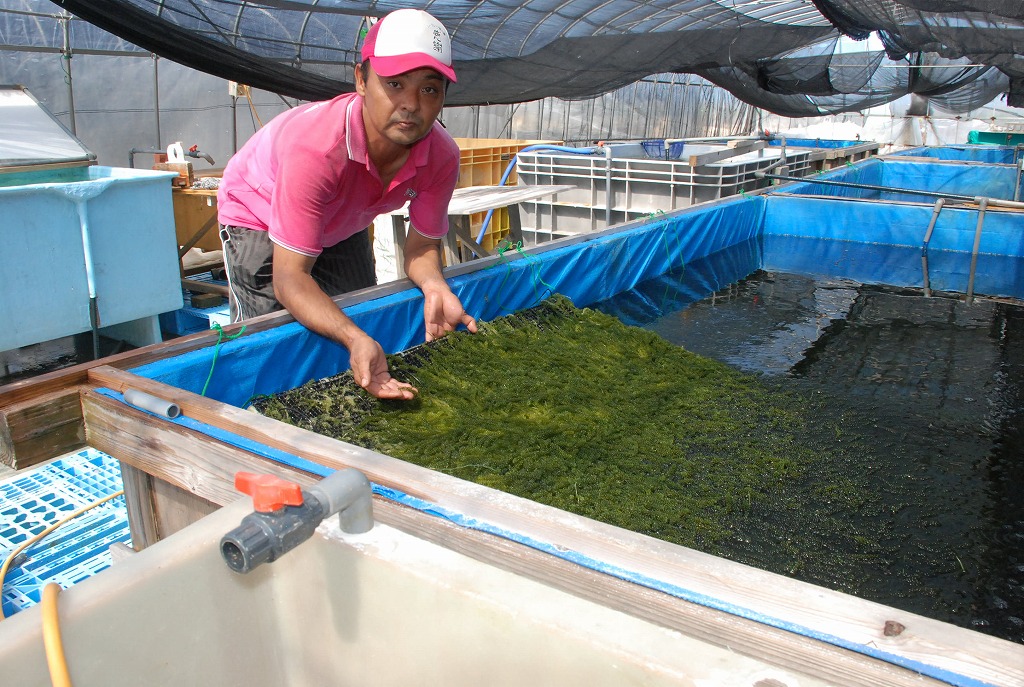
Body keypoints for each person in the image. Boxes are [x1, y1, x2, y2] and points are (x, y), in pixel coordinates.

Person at [216, 9, 477, 401]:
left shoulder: (441, 157)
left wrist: (435, 286)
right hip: (258, 211)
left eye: (429, 89)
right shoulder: (318, 149)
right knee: (277, 340)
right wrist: (353, 337)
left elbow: (421, 248)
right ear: (361, 80)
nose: (410, 104)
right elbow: (290, 279)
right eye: (394, 84)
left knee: (356, 312)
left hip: (340, 219)